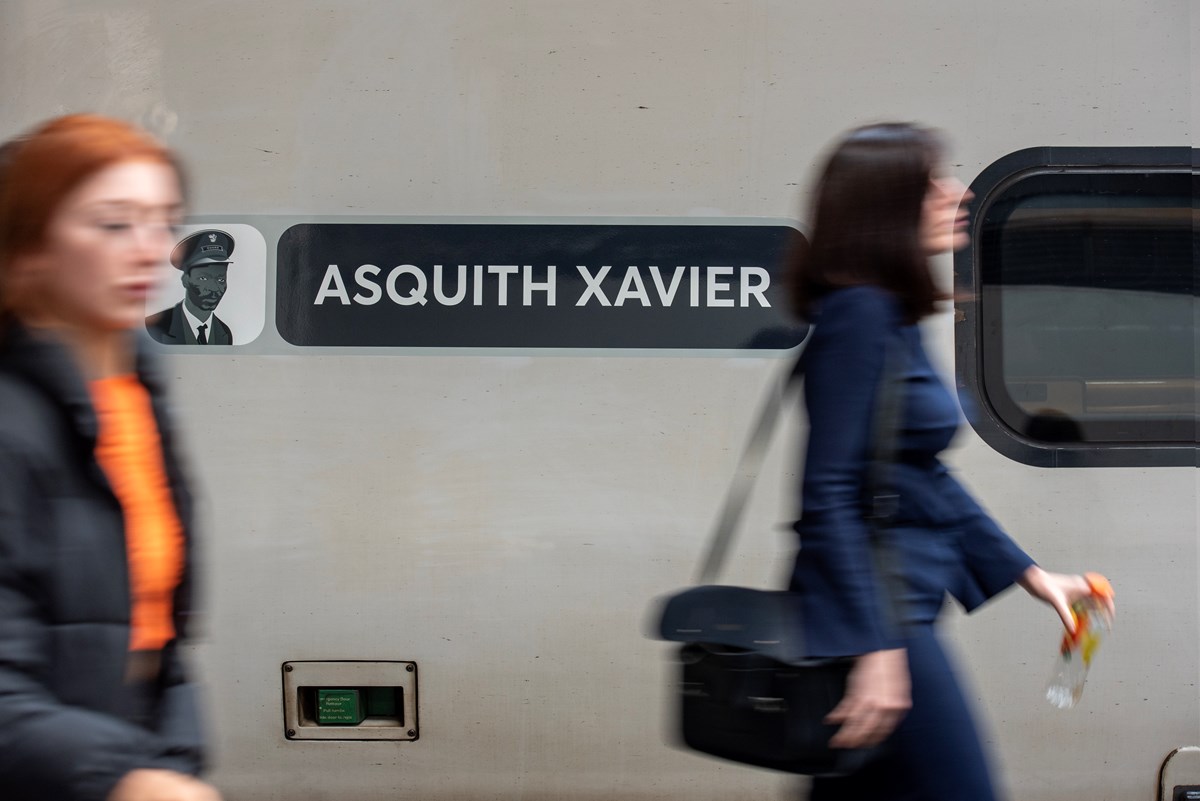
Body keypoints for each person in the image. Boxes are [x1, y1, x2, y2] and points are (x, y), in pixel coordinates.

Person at [786, 122, 1114, 801]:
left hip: (892, 606)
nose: (956, 194)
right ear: (886, 207)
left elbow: (913, 475)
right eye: (931, 183)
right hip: (882, 615)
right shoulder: (860, 315)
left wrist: (1029, 573)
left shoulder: (887, 317)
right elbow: (829, 493)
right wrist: (876, 650)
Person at [0, 114, 221, 801]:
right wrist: (125, 777)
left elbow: (159, 635)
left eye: (164, 222)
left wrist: (173, 759)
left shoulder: (136, 403)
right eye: (113, 224)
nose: (151, 250)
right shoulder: (12, 420)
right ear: (28, 247)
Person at [145, 229, 235, 345]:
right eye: (204, 278)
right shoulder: (155, 328)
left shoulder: (224, 333)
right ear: (186, 280)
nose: (214, 288)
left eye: (221, 279)